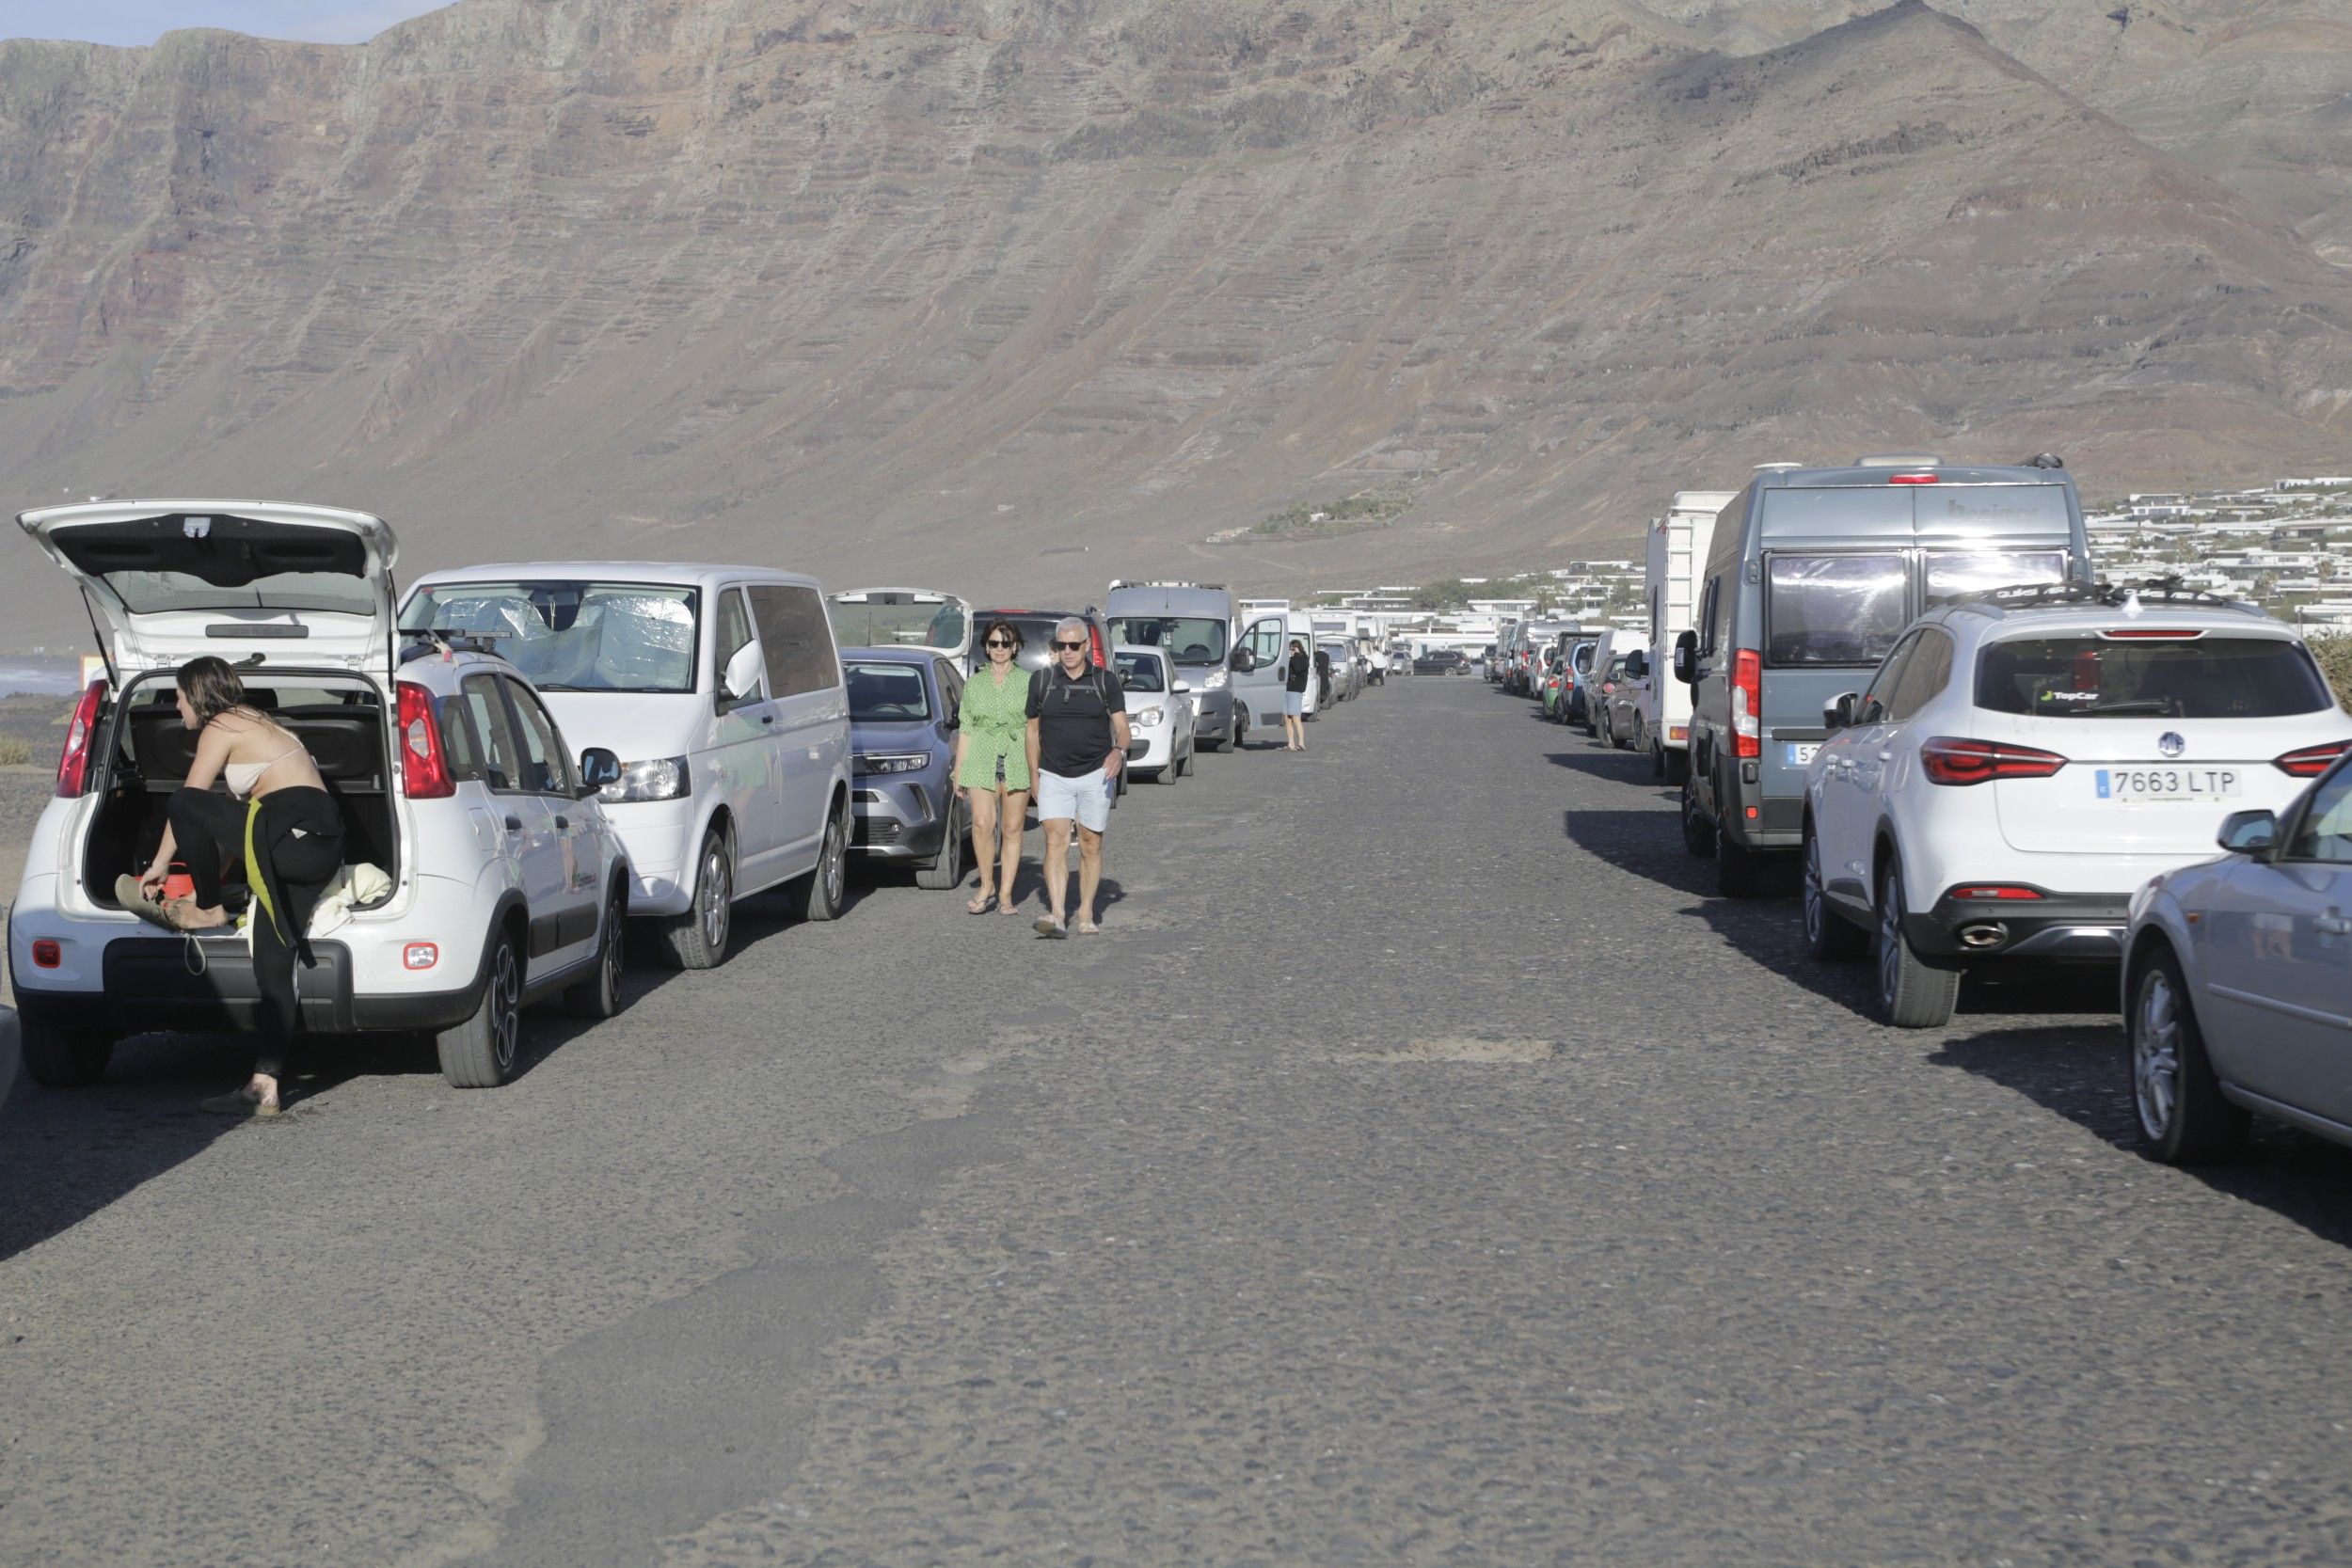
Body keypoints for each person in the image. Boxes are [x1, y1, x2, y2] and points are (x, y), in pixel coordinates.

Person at [121, 657, 344, 1117]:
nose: (176, 705)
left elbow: (190, 798)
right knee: (272, 961)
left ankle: (210, 909)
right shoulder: (257, 723)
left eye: (179, 695)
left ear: (197, 693)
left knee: (185, 801)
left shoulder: (222, 724)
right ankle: (265, 1084)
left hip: (291, 831)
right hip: (316, 846)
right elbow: (232, 834)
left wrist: (160, 865)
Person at [1024, 619, 1129, 937]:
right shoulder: (1041, 681)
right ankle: (1057, 915)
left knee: (1090, 843)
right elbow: (1032, 732)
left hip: (1096, 773)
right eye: (1061, 646)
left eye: (1074, 645)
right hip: (1053, 773)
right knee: (1055, 840)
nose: (1067, 652)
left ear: (1086, 646)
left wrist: (1118, 752)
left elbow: (1123, 729)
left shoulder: (1105, 681)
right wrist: (1034, 776)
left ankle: (1085, 913)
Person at [952, 619, 1033, 916]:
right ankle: (986, 885)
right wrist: (958, 772)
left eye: (1006, 643)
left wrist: (1038, 769)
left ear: (1015, 648)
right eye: (994, 643)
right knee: (983, 824)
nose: (1000, 649)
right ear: (986, 646)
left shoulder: (1028, 681)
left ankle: (1006, 894)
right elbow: (966, 729)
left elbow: (1035, 729)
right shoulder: (974, 684)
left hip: (1016, 757)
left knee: (1012, 828)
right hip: (981, 758)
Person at [1281, 638, 1310, 752]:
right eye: (1290, 649)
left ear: (1298, 648)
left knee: (1295, 717)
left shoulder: (1303, 658)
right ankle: (1291, 743)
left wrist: (1296, 656)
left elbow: (1298, 668)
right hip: (1287, 688)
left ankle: (1301, 743)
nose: (1292, 651)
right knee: (1287, 718)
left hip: (1296, 690)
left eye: (1293, 649)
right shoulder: (1292, 658)